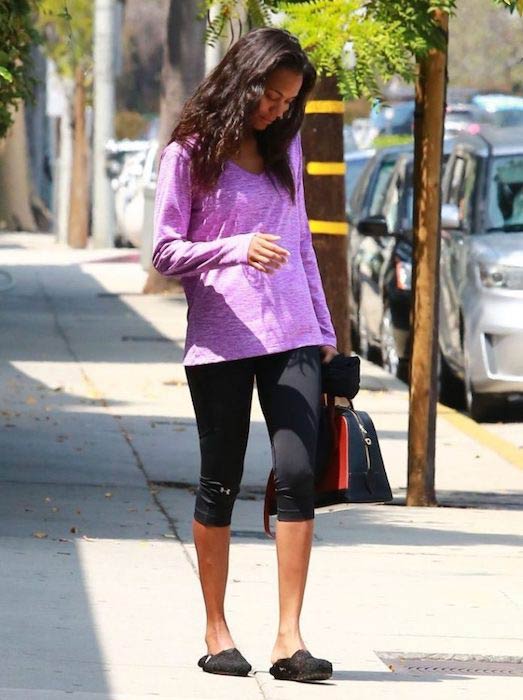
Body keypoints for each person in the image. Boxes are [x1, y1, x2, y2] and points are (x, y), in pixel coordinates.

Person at [152, 27, 338, 683]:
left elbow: (303, 246)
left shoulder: (285, 155)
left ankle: (289, 639)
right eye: (272, 95)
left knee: (295, 473)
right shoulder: (189, 154)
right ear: (244, 78)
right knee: (220, 478)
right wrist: (233, 247)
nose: (278, 110)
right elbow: (165, 251)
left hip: (292, 337)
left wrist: (325, 332)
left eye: (289, 101)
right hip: (221, 339)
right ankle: (216, 628)